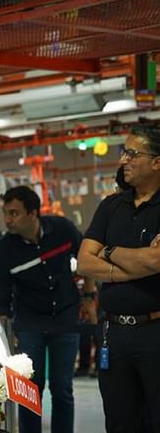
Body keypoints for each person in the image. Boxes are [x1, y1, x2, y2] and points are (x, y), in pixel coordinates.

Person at [0, 185, 97, 433]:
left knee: (62, 389)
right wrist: (6, 332)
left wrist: (89, 297)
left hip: (65, 319)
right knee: (30, 389)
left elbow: (87, 260)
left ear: (32, 213)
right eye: (5, 213)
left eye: (14, 213)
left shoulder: (62, 229)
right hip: (29, 324)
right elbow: (2, 294)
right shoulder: (5, 248)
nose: (8, 220)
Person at [77, 124, 160, 433]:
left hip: (155, 331)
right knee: (119, 420)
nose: (124, 159)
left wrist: (108, 251)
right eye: (124, 152)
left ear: (157, 161)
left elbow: (157, 260)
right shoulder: (110, 207)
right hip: (113, 334)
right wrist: (133, 262)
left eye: (132, 154)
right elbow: (85, 261)